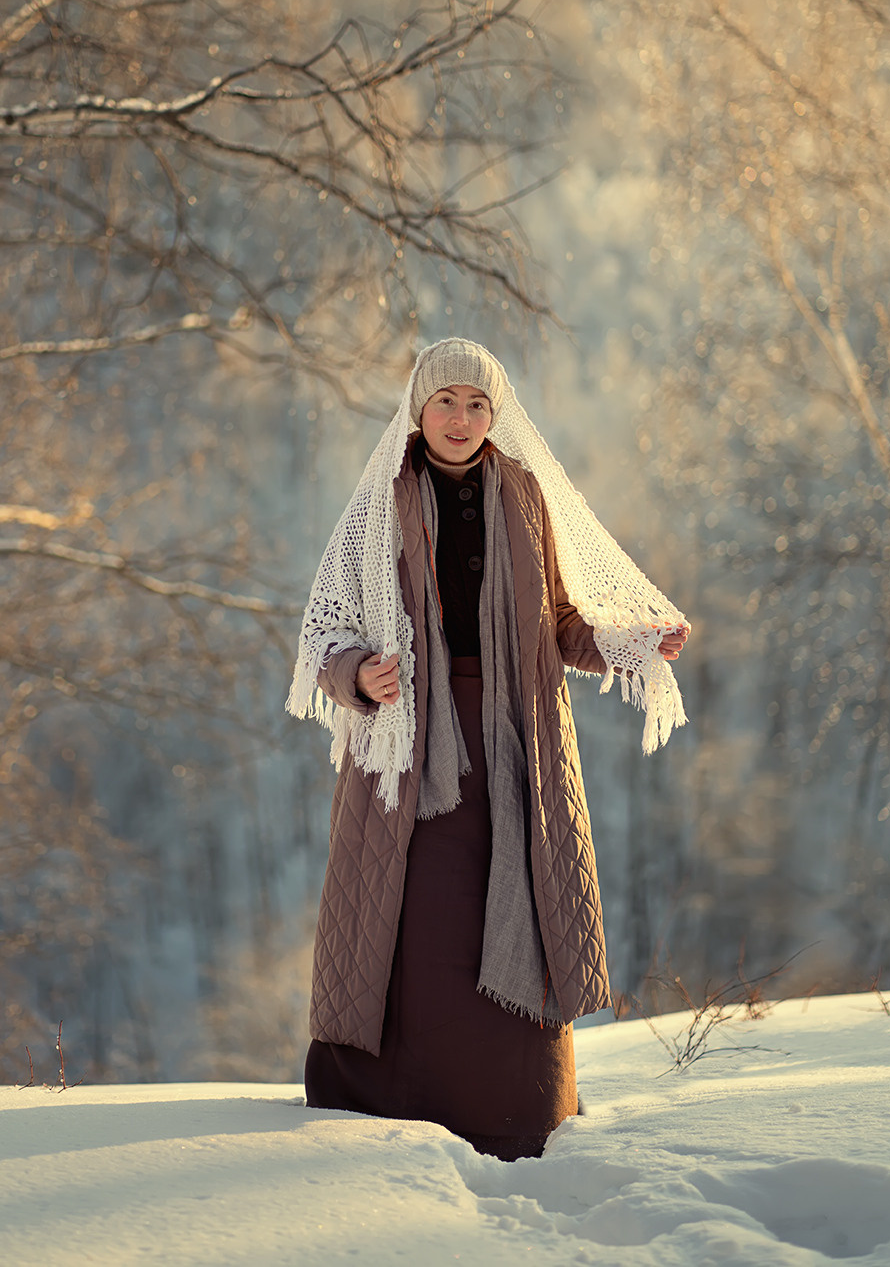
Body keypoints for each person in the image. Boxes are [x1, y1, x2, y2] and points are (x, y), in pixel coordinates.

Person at [288, 338, 689, 1161]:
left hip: (516, 742)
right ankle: (392, 1103)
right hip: (410, 755)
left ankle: (516, 1104)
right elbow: (323, 635)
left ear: (495, 416)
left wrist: (632, 645)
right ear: (417, 411)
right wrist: (360, 673)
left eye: (478, 405)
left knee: (521, 903)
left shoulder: (527, 497)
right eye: (446, 403)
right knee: (420, 918)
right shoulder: (380, 503)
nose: (462, 419)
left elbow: (562, 628)